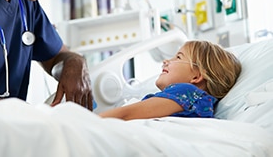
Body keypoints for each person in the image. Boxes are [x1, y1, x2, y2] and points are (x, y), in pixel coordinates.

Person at [99, 40, 241, 120]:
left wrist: (85, 122)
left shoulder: (188, 93)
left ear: (197, 77)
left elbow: (126, 114)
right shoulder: (195, 101)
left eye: (178, 57)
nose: (166, 61)